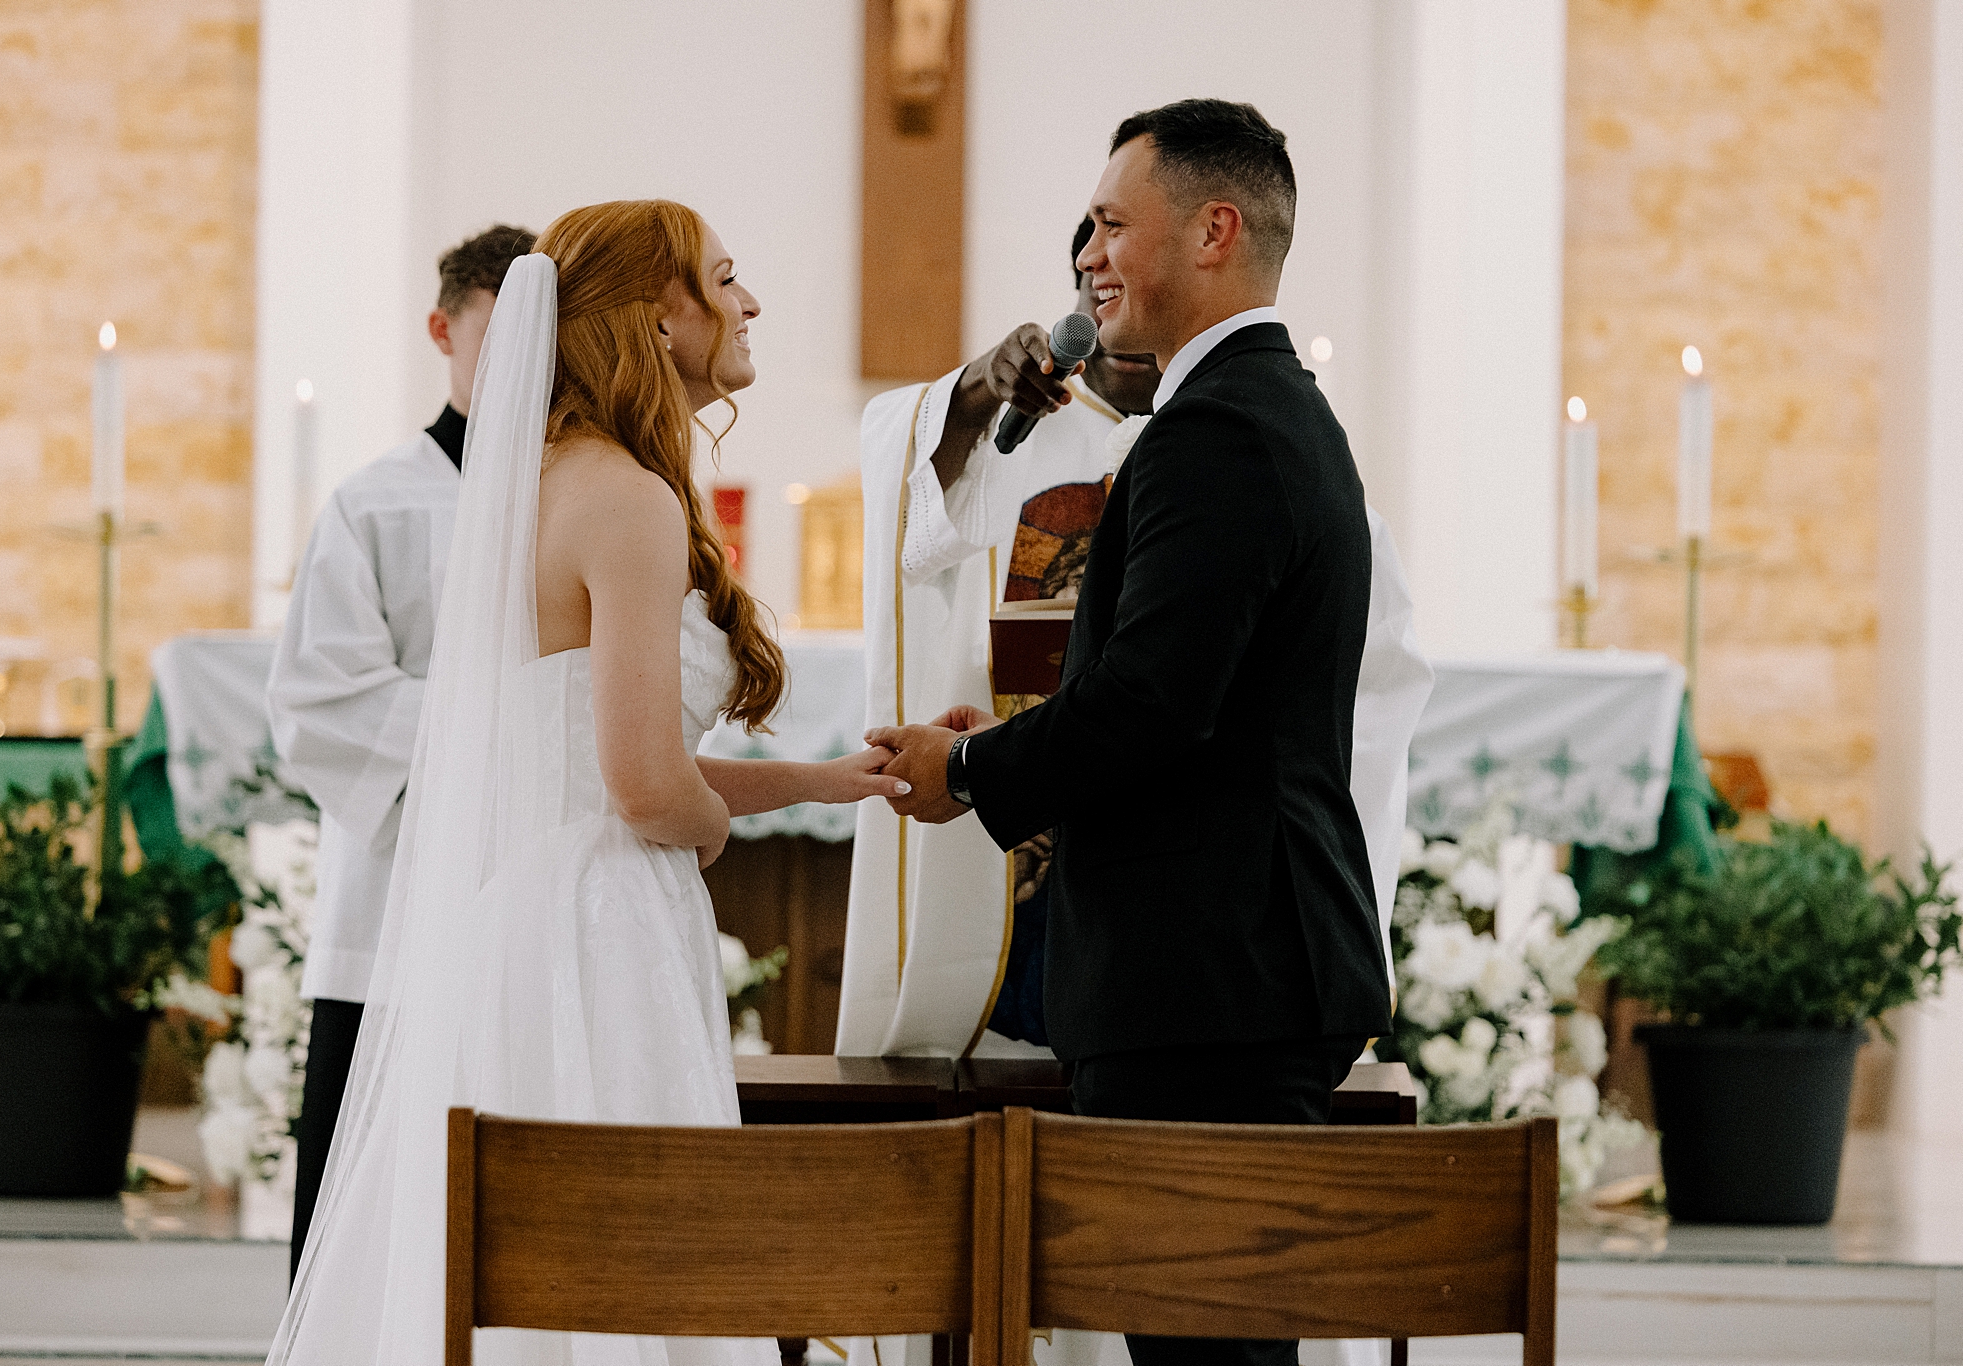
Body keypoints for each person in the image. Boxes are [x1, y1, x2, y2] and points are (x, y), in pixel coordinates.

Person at [270, 201, 903, 1366]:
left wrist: (834, 778)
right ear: (659, 318)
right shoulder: (626, 497)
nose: (750, 301)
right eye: (725, 277)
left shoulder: (548, 480)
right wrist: (702, 827)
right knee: (631, 1263)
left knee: (531, 1276)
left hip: (529, 908)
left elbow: (587, 754)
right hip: (603, 927)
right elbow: (645, 790)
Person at [869, 100, 1389, 1366]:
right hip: (1230, 973)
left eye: (1110, 225)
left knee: (1207, 1353)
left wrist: (968, 768)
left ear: (1213, 231)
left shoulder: (1215, 432)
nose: (1087, 257)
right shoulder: (1270, 412)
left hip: (1207, 983)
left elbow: (1155, 705)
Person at [841, 215, 1429, 1064]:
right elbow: (913, 538)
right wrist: (971, 392)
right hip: (1027, 840)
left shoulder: (1257, 444)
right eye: (1090, 284)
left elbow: (1369, 666)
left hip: (1195, 895)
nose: (1102, 298)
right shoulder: (1012, 432)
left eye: (1121, 267)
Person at [269, 222, 534, 1282]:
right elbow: (323, 699)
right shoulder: (374, 501)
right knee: (357, 1194)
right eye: (498, 329)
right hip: (396, 885)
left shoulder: (582, 493)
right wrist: (508, 726)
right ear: (444, 327)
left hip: (526, 883)